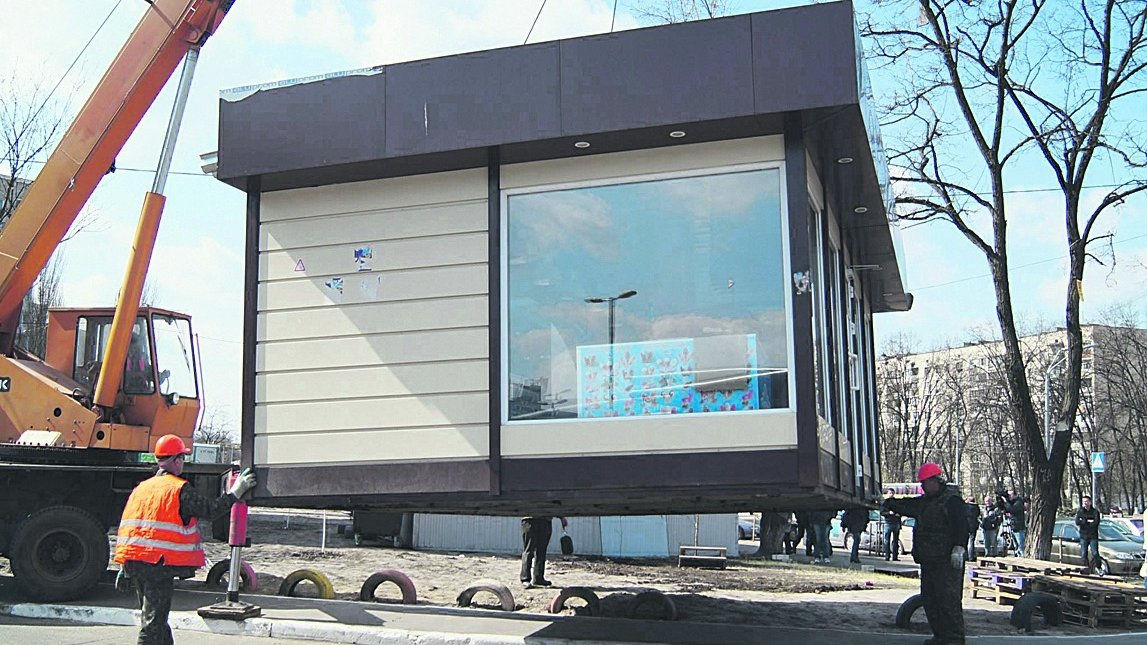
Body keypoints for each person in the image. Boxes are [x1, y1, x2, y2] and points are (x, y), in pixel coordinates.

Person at [115, 434, 257, 645]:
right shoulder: (178, 489)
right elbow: (210, 510)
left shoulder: (142, 488)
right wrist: (237, 491)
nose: (183, 462)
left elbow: (132, 528)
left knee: (156, 619)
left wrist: (123, 565)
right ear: (176, 460)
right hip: (157, 564)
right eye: (182, 457)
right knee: (153, 624)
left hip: (135, 562)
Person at [883, 462, 969, 645]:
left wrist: (959, 547)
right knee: (931, 600)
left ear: (935, 480)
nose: (923, 487)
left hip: (946, 561)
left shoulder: (952, 501)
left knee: (948, 601)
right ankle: (940, 637)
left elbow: (962, 526)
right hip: (929, 559)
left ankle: (954, 639)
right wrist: (887, 502)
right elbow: (907, 505)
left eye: (925, 483)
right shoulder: (926, 501)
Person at [520, 515, 567, 588]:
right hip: (530, 519)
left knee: (541, 551)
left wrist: (561, 517)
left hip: (545, 520)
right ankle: (525, 579)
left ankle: (538, 578)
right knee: (529, 550)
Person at [1075, 495, 1101, 574]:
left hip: (1093, 536)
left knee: (1095, 553)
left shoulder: (1095, 512)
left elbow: (1096, 523)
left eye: (1086, 501)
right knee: (1083, 554)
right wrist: (1086, 521)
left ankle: (1099, 567)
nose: (1085, 503)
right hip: (1083, 536)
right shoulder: (1080, 512)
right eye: (1083, 502)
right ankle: (1086, 569)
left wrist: (1084, 521)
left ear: (1090, 502)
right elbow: (1077, 522)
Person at [997, 488, 1026, 556]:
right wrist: (999, 500)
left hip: (1019, 527)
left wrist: (1005, 502)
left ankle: (1022, 558)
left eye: (1010, 495)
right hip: (1013, 527)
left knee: (1020, 546)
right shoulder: (1011, 502)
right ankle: (1018, 558)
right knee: (1016, 547)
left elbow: (1012, 510)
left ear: (1015, 495)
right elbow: (1003, 508)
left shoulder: (1018, 502)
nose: (1009, 496)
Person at [881, 488, 902, 561]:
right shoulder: (885, 502)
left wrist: (899, 515)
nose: (891, 494)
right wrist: (888, 513)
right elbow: (882, 512)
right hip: (888, 523)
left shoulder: (896, 502)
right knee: (887, 540)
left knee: (895, 541)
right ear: (887, 494)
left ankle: (895, 556)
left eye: (892, 493)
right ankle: (887, 556)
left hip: (896, 523)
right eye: (890, 493)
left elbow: (901, 511)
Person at [964, 496, 981, 562]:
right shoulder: (976, 507)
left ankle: (965, 556)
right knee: (971, 541)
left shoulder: (965, 507)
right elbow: (978, 514)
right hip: (973, 526)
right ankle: (971, 556)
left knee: (965, 541)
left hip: (966, 525)